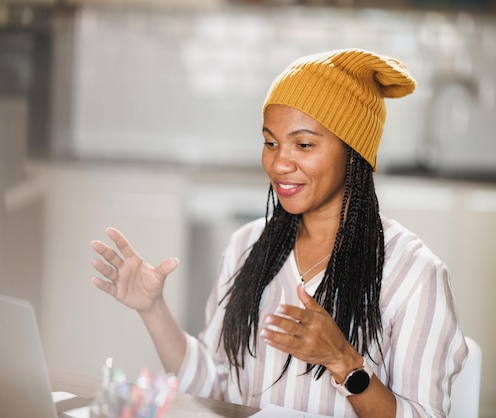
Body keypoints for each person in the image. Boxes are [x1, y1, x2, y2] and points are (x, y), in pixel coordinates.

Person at [90, 48, 468, 418]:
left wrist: (344, 363)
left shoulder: (414, 274)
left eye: (303, 144)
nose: (279, 163)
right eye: (270, 142)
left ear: (354, 153)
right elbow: (215, 388)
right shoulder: (248, 247)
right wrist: (152, 308)